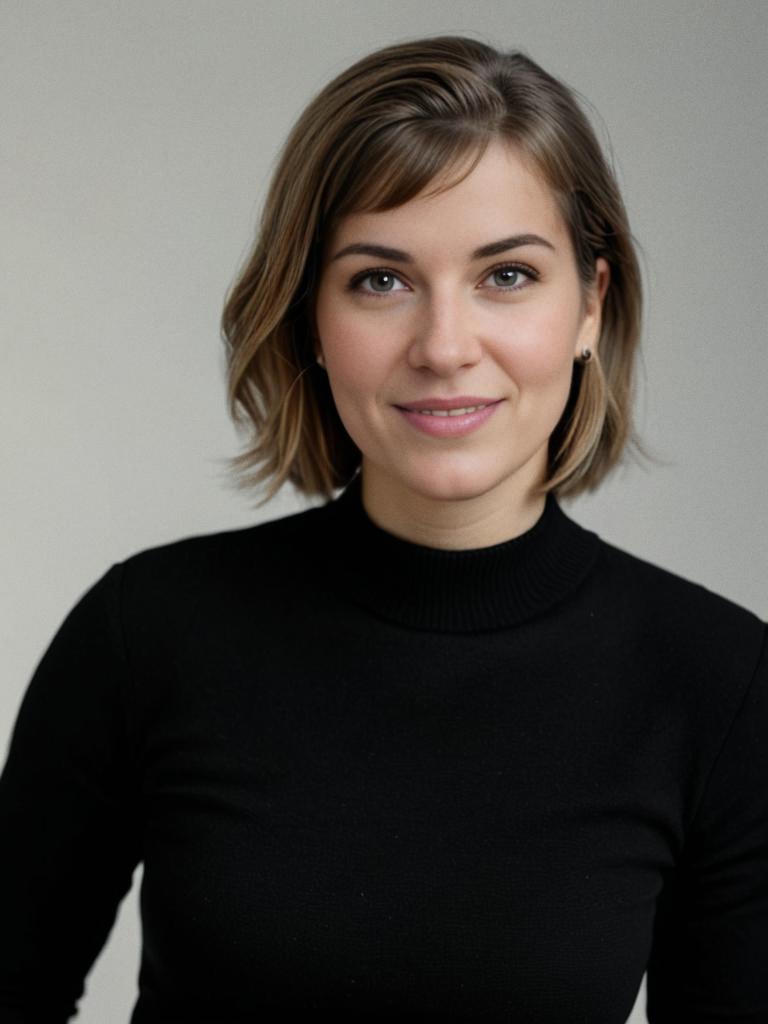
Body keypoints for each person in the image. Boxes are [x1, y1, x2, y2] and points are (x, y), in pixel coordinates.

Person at [1, 34, 766, 1023]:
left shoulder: (718, 681)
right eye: (380, 279)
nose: (445, 347)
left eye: (508, 276)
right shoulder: (145, 634)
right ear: (310, 316)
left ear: (591, 304)